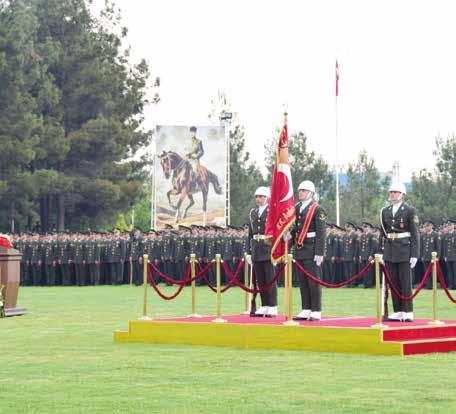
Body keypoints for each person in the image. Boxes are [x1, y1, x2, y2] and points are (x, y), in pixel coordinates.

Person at [380, 181, 420, 322]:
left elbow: (415, 234)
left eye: (396, 192)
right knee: (393, 282)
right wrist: (381, 251)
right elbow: (383, 233)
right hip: (390, 250)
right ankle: (397, 311)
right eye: (391, 192)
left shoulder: (410, 210)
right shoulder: (385, 211)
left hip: (404, 249)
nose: (393, 194)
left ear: (402, 194)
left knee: (405, 282)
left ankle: (408, 311)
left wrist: (414, 254)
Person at [291, 180, 326, 321]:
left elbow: (321, 232)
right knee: (303, 281)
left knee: (313, 281)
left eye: (304, 190)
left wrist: (319, 252)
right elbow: (296, 227)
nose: (301, 192)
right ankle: (306, 308)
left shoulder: (317, 209)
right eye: (300, 190)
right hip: (299, 248)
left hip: (312, 248)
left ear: (311, 193)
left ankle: (316, 309)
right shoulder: (297, 207)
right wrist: (289, 236)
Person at [247, 186, 277, 317]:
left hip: (268, 247)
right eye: (256, 197)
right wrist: (248, 251)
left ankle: (272, 305)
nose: (258, 199)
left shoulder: (272, 211)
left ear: (267, 198)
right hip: (256, 248)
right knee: (260, 280)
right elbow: (250, 233)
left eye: (261, 196)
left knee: (270, 278)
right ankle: (264, 305)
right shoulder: (253, 212)